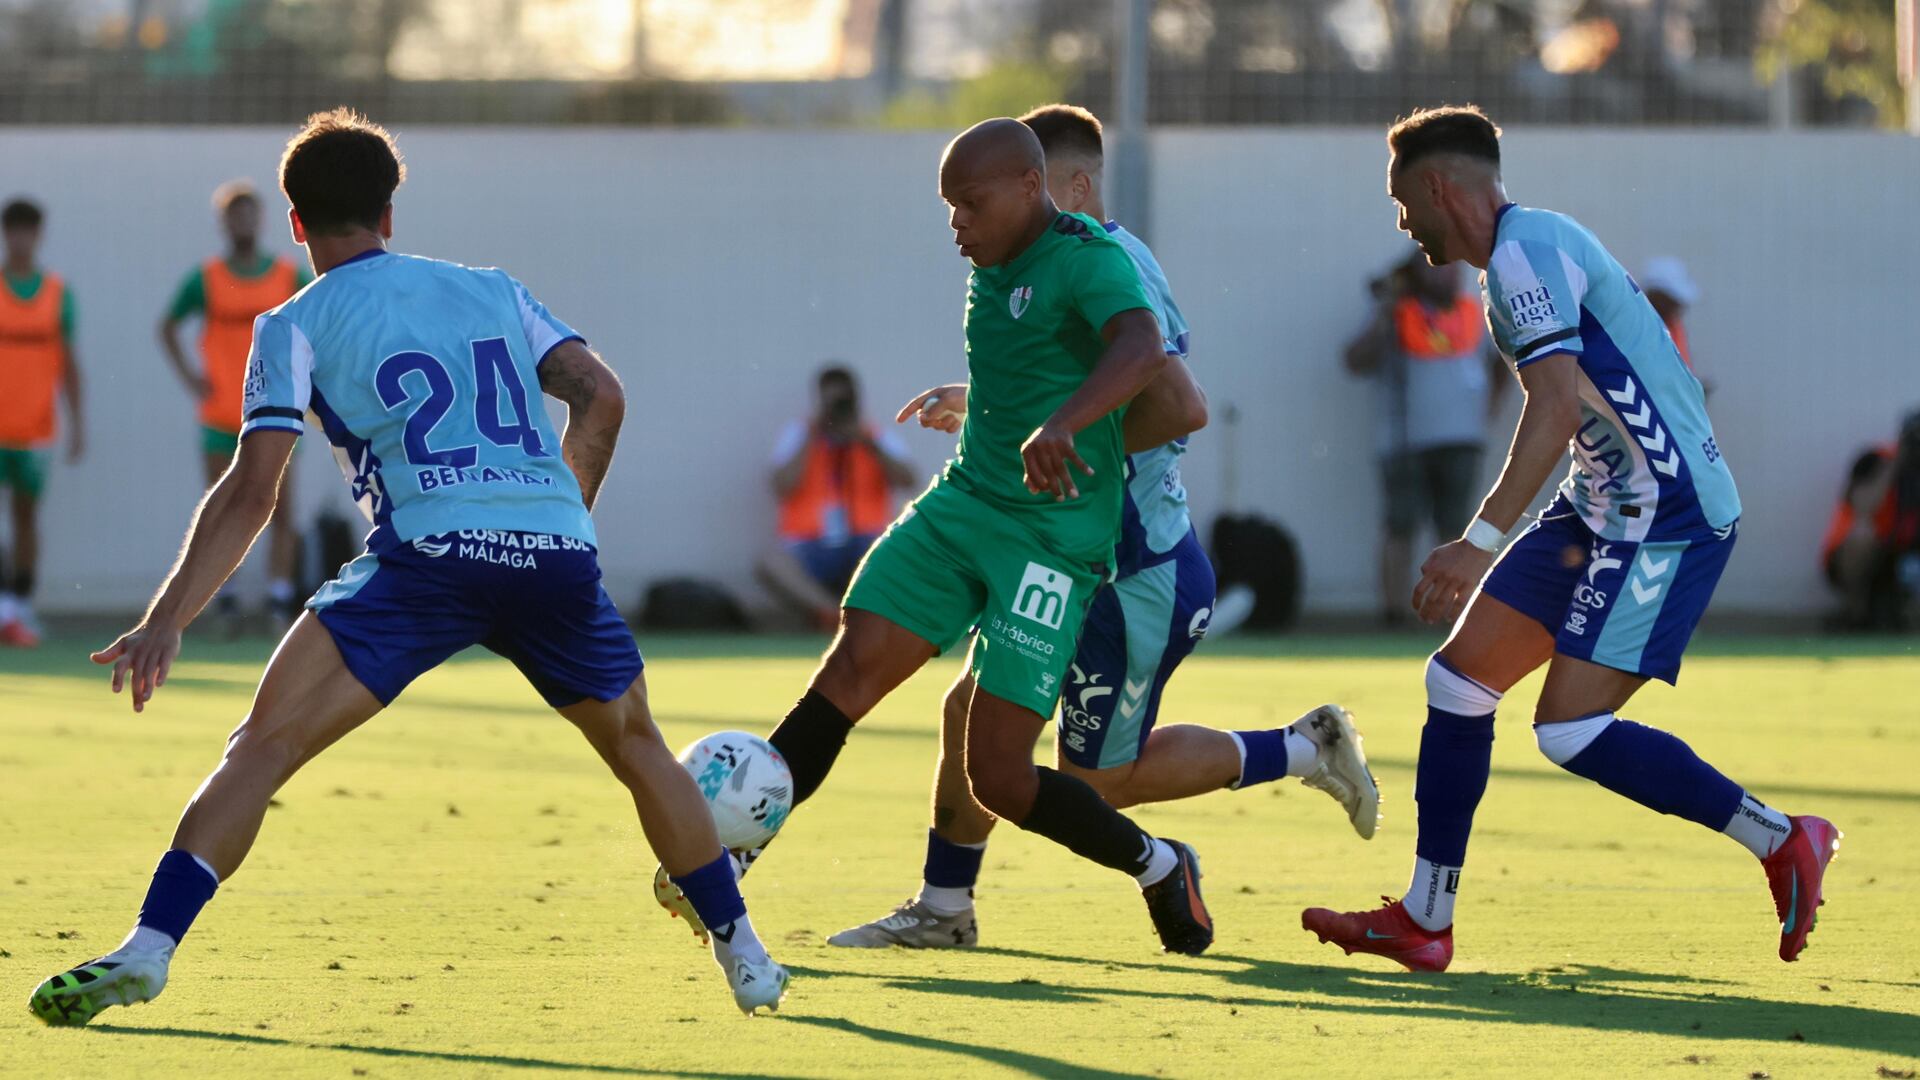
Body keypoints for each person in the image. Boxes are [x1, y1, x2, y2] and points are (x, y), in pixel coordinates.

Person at [28, 108, 786, 1027]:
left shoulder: (291, 323)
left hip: (425, 560)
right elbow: (600, 395)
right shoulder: (493, 290)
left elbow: (252, 490)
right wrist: (558, 518)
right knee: (638, 749)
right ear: (391, 211)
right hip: (550, 558)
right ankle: (744, 956)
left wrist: (167, 618)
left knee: (261, 750)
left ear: (295, 223)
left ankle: (148, 949)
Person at [656, 118, 1219, 955]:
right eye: (948, 206)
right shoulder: (990, 264)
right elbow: (1025, 371)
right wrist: (995, 410)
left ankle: (1158, 864)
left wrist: (1069, 429)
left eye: (970, 203)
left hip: (1051, 540)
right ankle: (729, 859)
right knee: (847, 672)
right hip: (961, 508)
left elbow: (1155, 370)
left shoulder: (1091, 259)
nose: (956, 222)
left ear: (1030, 189)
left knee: (998, 774)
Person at [826, 103, 1379, 951]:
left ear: (1065, 184)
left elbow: (1175, 406)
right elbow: (1082, 381)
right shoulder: (1060, 265)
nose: (987, 221)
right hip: (1059, 551)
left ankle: (1302, 752)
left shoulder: (1106, 260)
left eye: (1011, 194)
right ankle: (943, 907)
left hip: (1127, 569)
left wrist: (1053, 438)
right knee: (970, 717)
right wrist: (997, 413)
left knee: (1096, 780)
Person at [1301, 106, 1838, 972]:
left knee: (1569, 731)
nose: (1404, 224)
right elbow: (1573, 410)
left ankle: (1782, 838)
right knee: (1460, 681)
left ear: (1439, 186)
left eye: (1405, 204)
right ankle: (1426, 920)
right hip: (1603, 505)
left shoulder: (1524, 255)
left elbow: (1551, 410)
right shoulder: (1517, 258)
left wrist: (1477, 540)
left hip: (1668, 516)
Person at [160, 180, 314, 629]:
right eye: (234, 214)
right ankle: (223, 600)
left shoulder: (288, 276)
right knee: (222, 507)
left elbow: (316, 326)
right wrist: (192, 376)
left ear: (262, 220)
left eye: (249, 213)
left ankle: (278, 601)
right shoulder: (205, 278)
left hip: (277, 415)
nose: (242, 222)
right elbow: (168, 326)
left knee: (280, 508)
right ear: (224, 222)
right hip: (220, 415)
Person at [1345, 248, 1507, 626]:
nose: (1447, 277)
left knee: (1458, 528)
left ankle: (1453, 611)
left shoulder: (1473, 312)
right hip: (1405, 441)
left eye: (1452, 270)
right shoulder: (1397, 312)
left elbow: (1500, 361)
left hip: (1463, 438)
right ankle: (1394, 614)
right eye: (1436, 269)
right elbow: (1355, 360)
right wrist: (1386, 311)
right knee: (1399, 524)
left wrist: (1492, 407)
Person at [757, 364, 917, 630]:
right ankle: (832, 614)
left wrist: (866, 442)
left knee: (899, 557)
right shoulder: (799, 434)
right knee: (771, 563)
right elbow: (781, 485)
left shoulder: (875, 435)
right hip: (811, 547)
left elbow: (909, 480)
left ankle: (870, 614)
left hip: (864, 542)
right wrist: (814, 434)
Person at [0, 197, 85, 648]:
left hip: (35, 427)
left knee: (26, 516)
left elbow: (69, 364)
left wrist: (77, 423)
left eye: (27, 230)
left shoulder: (56, 292)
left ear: (38, 235)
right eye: (12, 229)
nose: (20, 238)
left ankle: (21, 603)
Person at [1821, 410, 1920, 630]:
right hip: (1865, 556)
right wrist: (1896, 464)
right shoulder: (1876, 459)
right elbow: (1863, 506)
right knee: (1862, 536)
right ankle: (1855, 612)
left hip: (1907, 557)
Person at [1639, 255, 1710, 392]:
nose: (1679, 306)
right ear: (1656, 295)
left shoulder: (1674, 327)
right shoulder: (1638, 328)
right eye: (1673, 299)